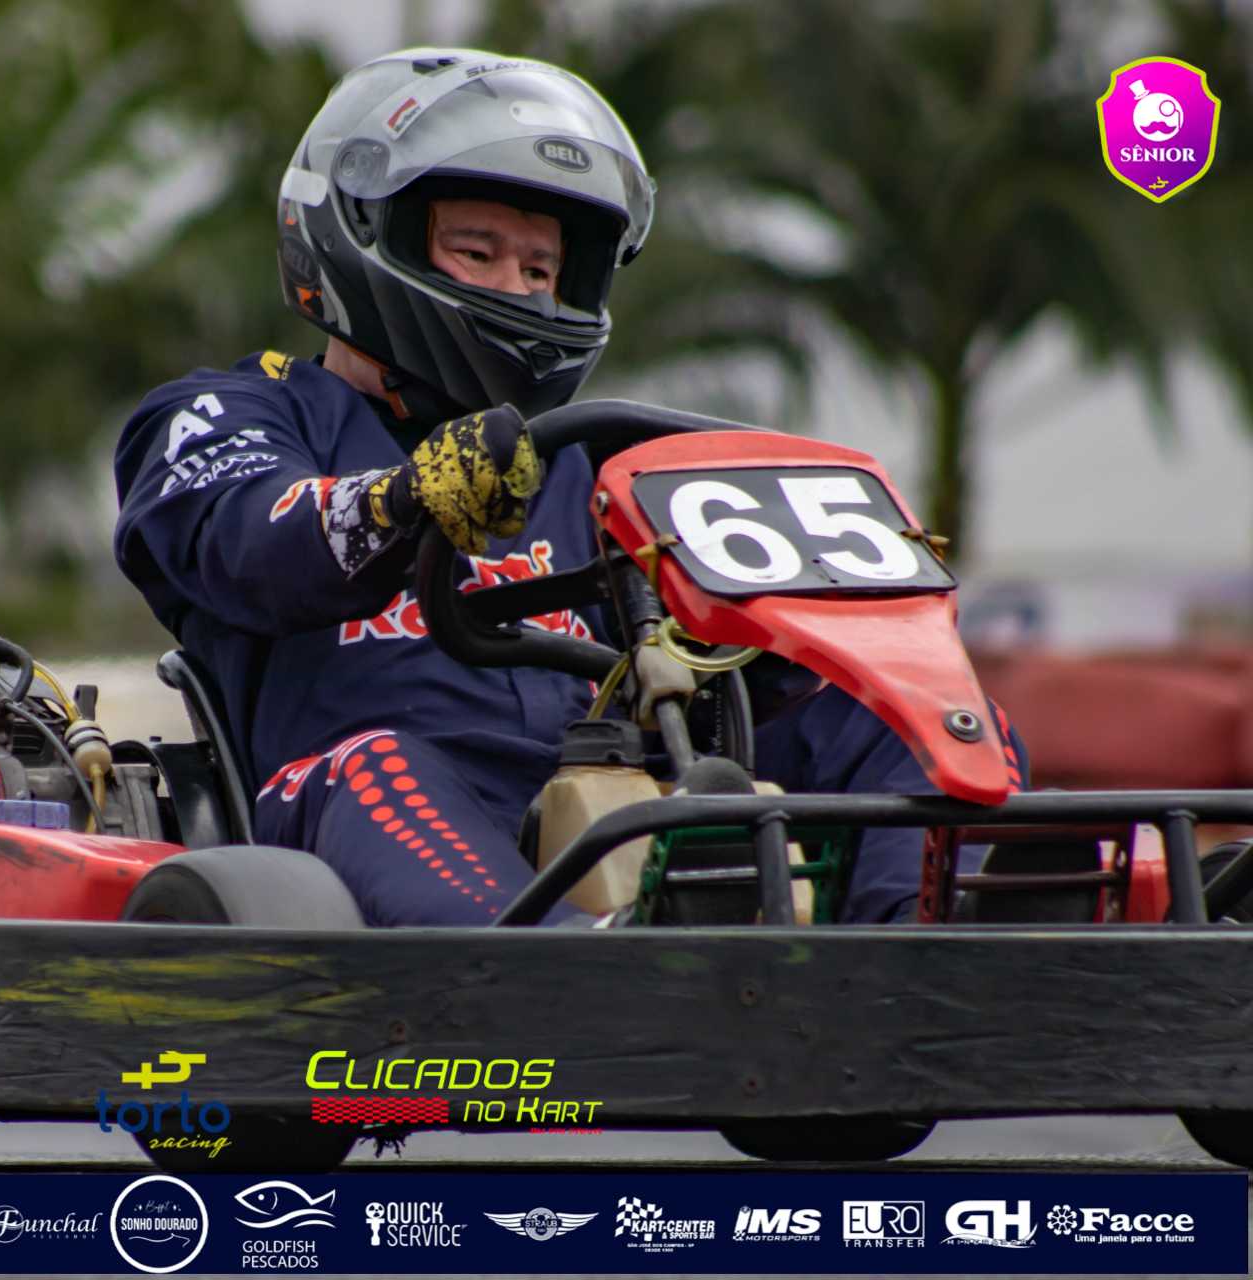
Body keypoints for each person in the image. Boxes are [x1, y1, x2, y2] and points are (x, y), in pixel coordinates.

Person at [113, 48, 1026, 926]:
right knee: (378, 764)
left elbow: (744, 679)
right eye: (478, 252)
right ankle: (564, 977)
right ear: (361, 232)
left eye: (541, 269)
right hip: (346, 822)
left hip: (595, 800)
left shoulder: (597, 469)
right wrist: (406, 498)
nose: (519, 289)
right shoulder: (234, 412)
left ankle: (937, 950)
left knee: (906, 717)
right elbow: (255, 541)